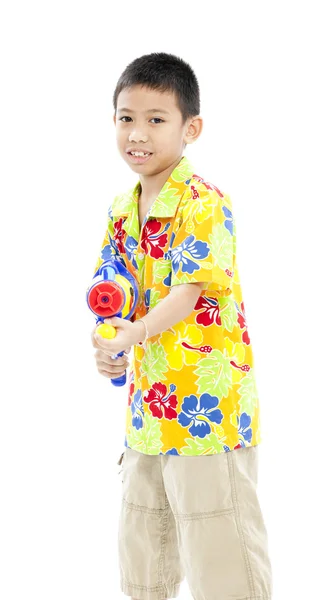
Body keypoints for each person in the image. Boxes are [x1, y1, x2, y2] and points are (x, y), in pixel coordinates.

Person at [90, 52, 272, 600]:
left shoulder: (204, 203)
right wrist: (105, 344)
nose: (137, 133)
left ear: (190, 128)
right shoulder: (123, 209)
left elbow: (188, 293)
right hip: (149, 408)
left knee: (219, 541)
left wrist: (136, 332)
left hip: (207, 407)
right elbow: (112, 294)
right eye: (126, 117)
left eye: (156, 118)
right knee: (144, 542)